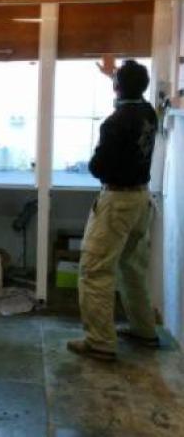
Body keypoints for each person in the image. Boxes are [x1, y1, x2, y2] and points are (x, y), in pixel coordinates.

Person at [67, 58, 159, 361]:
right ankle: (144, 330)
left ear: (118, 87)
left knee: (94, 270)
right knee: (132, 267)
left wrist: (93, 159)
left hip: (117, 201)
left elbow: (98, 167)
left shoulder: (114, 123)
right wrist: (115, 75)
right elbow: (132, 95)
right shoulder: (149, 113)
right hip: (141, 200)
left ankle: (100, 343)